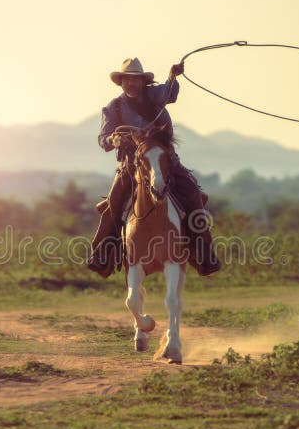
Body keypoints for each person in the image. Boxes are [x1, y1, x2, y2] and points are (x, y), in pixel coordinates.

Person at [87, 57, 221, 278]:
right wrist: (114, 140)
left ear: (142, 81)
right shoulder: (113, 108)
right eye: (127, 80)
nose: (131, 84)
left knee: (193, 195)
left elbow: (171, 93)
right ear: (121, 82)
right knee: (113, 203)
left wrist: (173, 75)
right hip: (131, 166)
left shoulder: (154, 95)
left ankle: (204, 253)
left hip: (166, 161)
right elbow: (103, 140)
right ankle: (103, 254)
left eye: (135, 79)